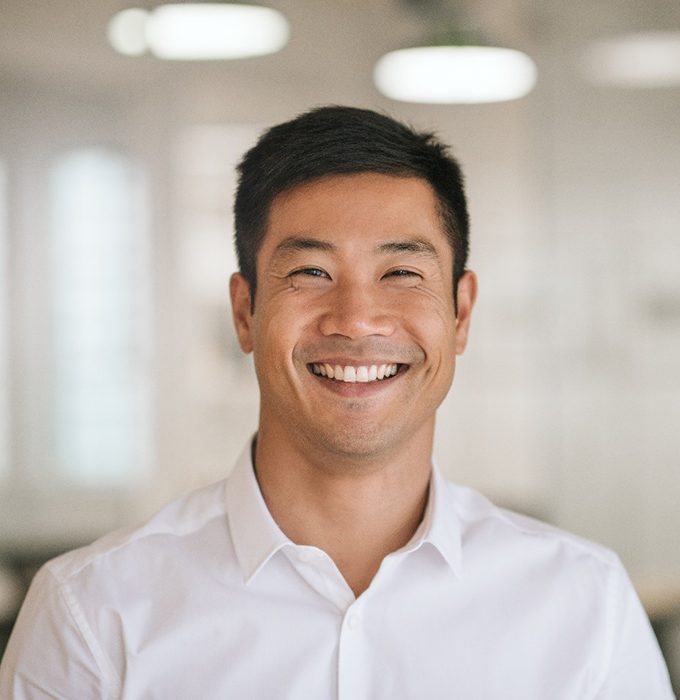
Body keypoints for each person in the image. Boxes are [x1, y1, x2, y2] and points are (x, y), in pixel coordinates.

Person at [0, 106, 674, 699]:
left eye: (402, 273)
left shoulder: (582, 601)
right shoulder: (94, 610)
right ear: (245, 312)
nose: (356, 319)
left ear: (461, 313)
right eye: (311, 273)